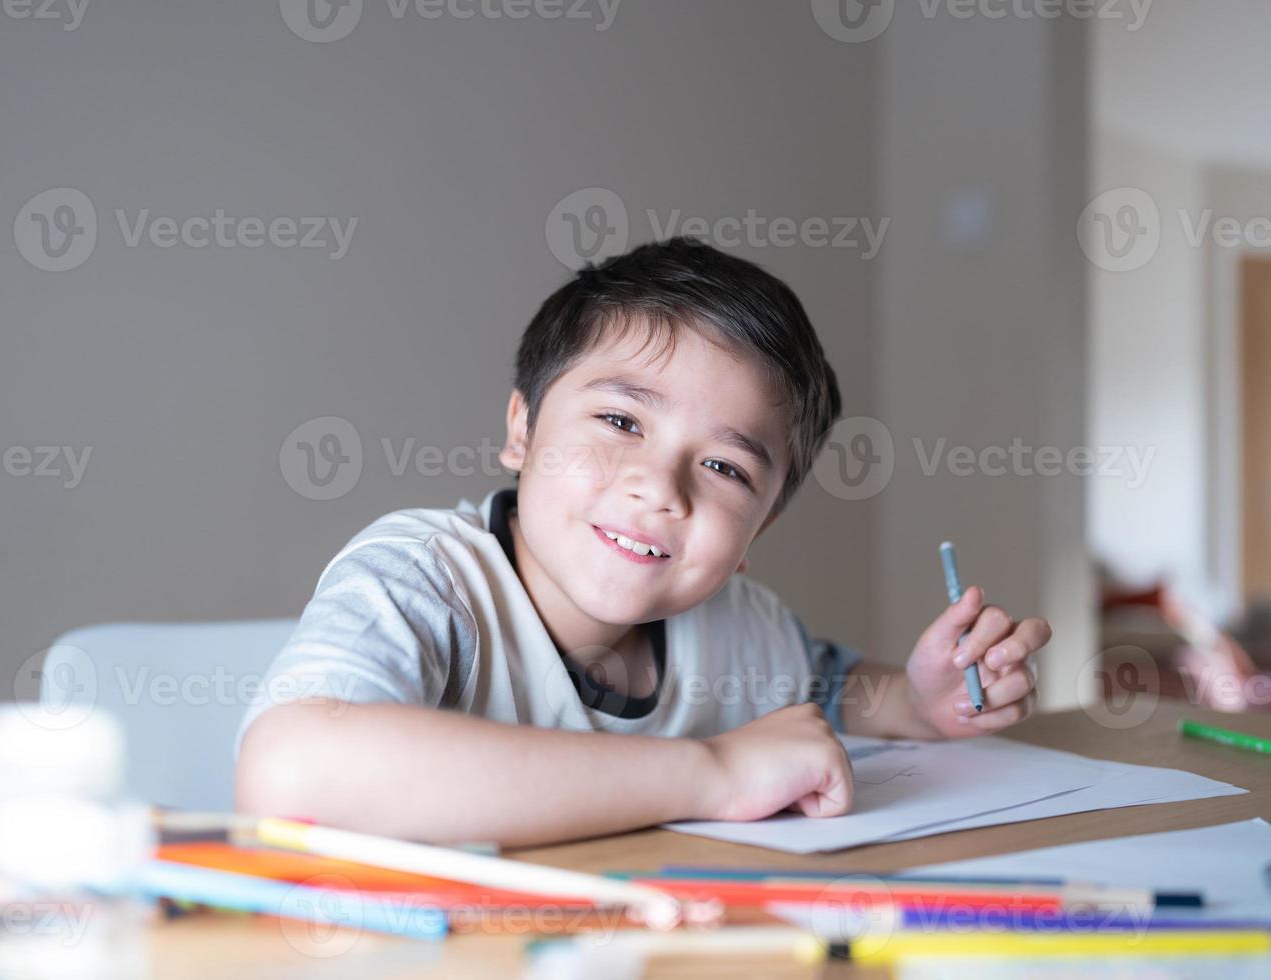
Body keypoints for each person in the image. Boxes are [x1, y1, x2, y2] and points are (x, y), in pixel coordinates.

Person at [235, 237, 1050, 847]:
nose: (660, 488)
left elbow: (826, 691)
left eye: (727, 467)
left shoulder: (742, 627)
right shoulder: (428, 582)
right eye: (621, 421)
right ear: (521, 428)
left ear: (759, 528)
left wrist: (919, 701)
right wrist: (715, 774)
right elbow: (292, 771)